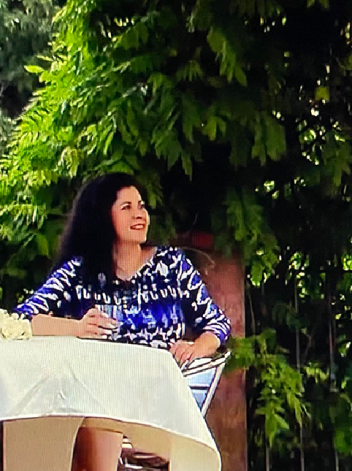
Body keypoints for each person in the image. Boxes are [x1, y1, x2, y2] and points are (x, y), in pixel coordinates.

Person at [14, 172, 231, 471]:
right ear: (103, 216)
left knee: (98, 416)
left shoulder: (172, 266)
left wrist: (196, 347)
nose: (139, 215)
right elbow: (22, 319)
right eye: (126, 207)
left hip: (159, 402)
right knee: (91, 412)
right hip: (96, 399)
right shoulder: (80, 272)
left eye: (141, 206)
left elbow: (217, 324)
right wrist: (76, 328)